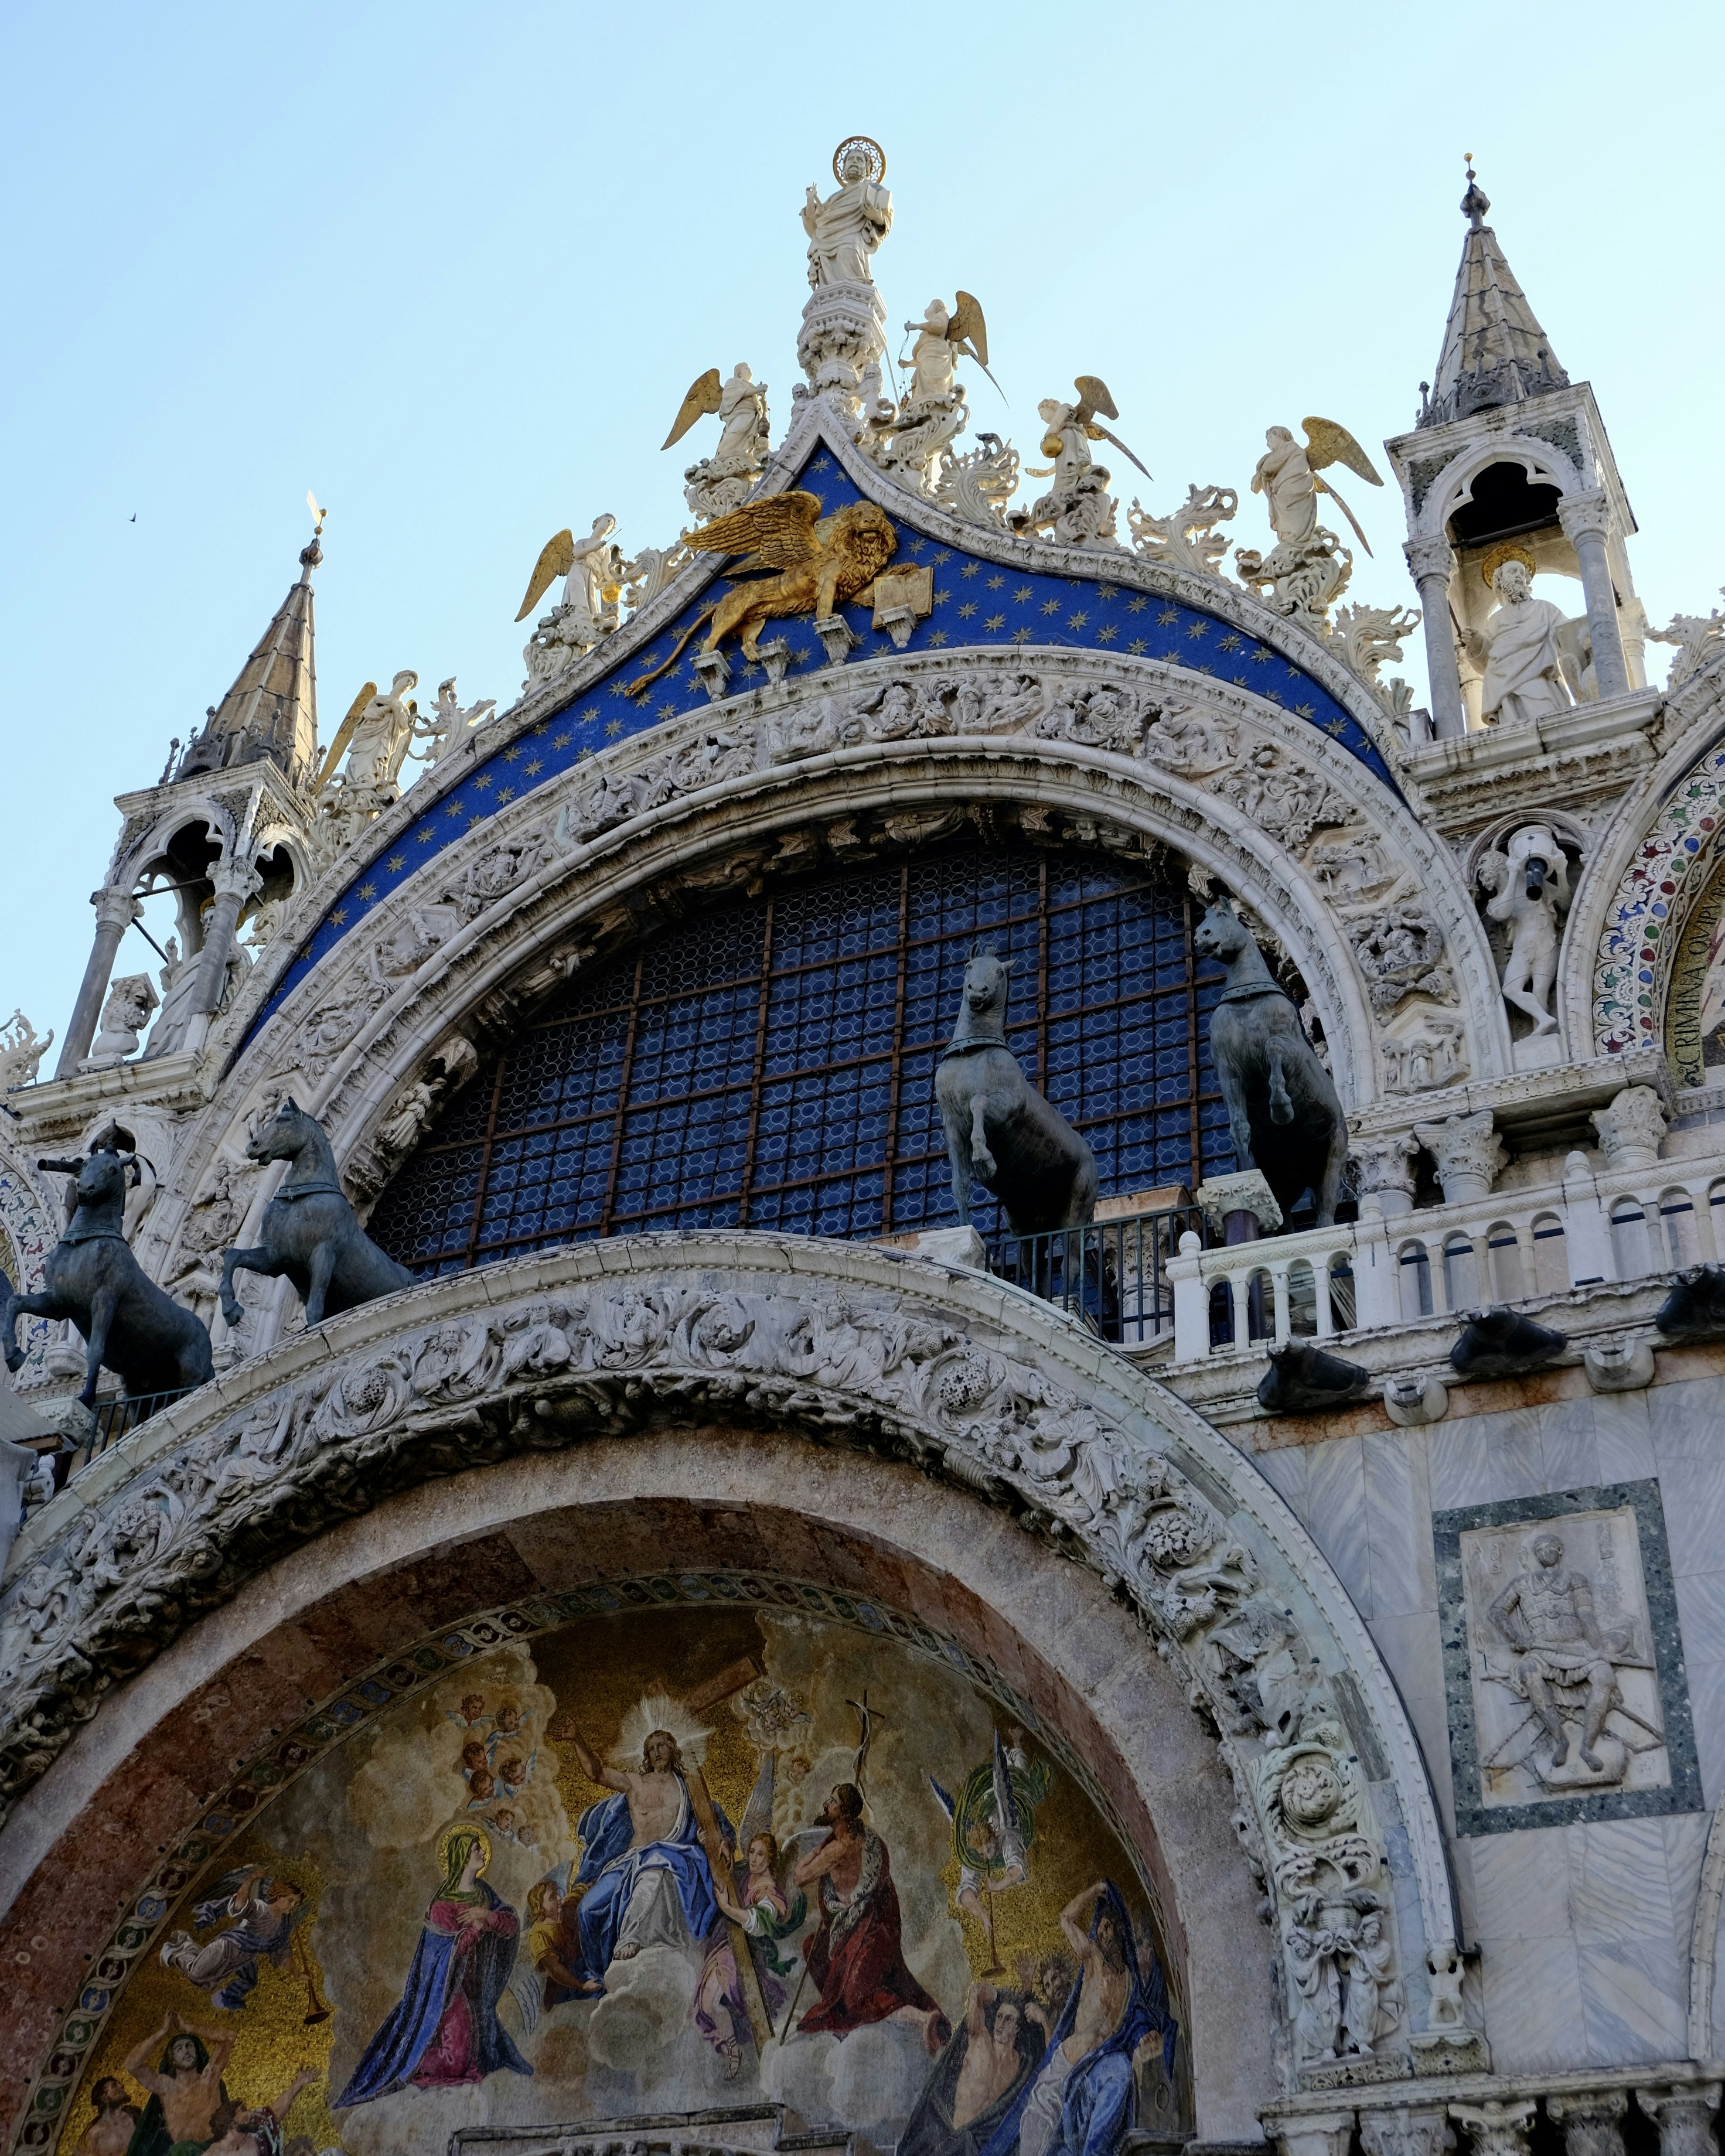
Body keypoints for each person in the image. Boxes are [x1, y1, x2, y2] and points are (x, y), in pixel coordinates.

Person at [333, 1824, 529, 2106]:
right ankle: (410, 2058)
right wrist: (476, 1928)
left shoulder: (484, 1896)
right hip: (447, 1992)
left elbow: (510, 1925)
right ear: (463, 1857)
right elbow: (448, 1954)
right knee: (456, 2061)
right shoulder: (442, 1907)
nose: (482, 1853)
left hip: (477, 1990)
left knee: (484, 2055)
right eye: (476, 1849)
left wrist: (487, 1916)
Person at [980, 1882, 1177, 2156]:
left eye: (1108, 1927)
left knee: (1121, 2070)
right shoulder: (1093, 1958)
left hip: (1098, 2065)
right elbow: (1065, 1919)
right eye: (1101, 1928)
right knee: (1036, 2132)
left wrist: (1144, 2032)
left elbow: (1138, 2018)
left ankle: (1094, 2153)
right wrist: (1094, 1891)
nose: (1102, 1932)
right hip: (1068, 2064)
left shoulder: (1131, 1983)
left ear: (1120, 1929)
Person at [549, 1717, 731, 1988]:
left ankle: (631, 1938)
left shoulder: (687, 1786)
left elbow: (711, 1819)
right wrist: (578, 1739)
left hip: (669, 1856)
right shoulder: (636, 1783)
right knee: (587, 1909)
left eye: (662, 1746)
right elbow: (596, 1774)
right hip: (631, 1860)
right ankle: (600, 1972)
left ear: (673, 1749)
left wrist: (724, 1840)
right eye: (651, 1748)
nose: (657, 1752)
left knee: (653, 1873)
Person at [793, 1783, 947, 2053]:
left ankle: (923, 2020)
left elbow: (799, 1877)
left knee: (856, 1999)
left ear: (844, 1813)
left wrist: (816, 1851)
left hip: (869, 1933)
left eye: (832, 1802)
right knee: (812, 1947)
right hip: (855, 1929)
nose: (826, 1805)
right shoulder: (863, 1838)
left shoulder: (838, 1849)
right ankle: (843, 2015)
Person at [1488, 1531, 1620, 1770]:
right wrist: (1516, 1638)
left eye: (1548, 1547)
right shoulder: (1522, 1583)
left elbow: (1587, 1616)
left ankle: (1587, 1747)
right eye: (1538, 1549)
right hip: (1540, 1651)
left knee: (1605, 1677)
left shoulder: (1576, 1579)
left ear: (1560, 1550)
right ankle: (1560, 1741)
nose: (1543, 1552)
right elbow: (1496, 1611)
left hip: (1577, 1648)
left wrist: (1598, 1650)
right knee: (1528, 1672)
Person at [696, 1831, 807, 2077]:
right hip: (723, 1944)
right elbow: (723, 1875)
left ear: (770, 1860)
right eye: (752, 1852)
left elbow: (757, 1923)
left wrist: (726, 1907)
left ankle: (735, 2051)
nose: (754, 1859)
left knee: (711, 2003)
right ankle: (732, 2048)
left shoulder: (770, 1892)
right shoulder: (746, 1872)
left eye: (761, 1855)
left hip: (745, 1953)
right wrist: (709, 1845)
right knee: (705, 2004)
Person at [901, 1983, 1044, 2156]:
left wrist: (1042, 2018)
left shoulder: (1021, 2067)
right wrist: (999, 1996)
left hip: (982, 2149)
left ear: (1017, 2028)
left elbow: (1051, 2061)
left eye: (1008, 2019)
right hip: (950, 2142)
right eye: (999, 2016)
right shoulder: (980, 2042)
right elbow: (975, 1992)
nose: (1000, 2023)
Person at [158, 1864, 304, 2011]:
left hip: (243, 1958)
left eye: (296, 1904)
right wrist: (252, 1878)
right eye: (290, 1900)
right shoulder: (262, 1909)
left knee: (214, 1983)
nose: (293, 1906)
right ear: (279, 1896)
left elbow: (283, 1956)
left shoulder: (283, 1927)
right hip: (227, 1948)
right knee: (196, 1973)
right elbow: (240, 1905)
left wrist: (298, 1974)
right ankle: (174, 1951)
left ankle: (228, 1997)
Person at [1466, 558, 1573, 728]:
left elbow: (1568, 633)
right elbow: (1484, 661)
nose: (1518, 576)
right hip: (1503, 683)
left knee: (1550, 719)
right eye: (1513, 572)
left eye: (1522, 573)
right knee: (1514, 726)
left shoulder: (1544, 608)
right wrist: (1476, 642)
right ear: (1501, 581)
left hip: (1538, 673)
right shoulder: (1495, 620)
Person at [120, 2011, 232, 2156]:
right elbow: (131, 2064)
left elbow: (229, 2037)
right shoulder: (166, 2086)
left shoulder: (209, 2078)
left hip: (214, 2150)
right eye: (179, 2049)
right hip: (182, 2153)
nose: (186, 2051)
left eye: (190, 2046)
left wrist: (187, 2028)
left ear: (197, 2052)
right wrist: (162, 2032)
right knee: (181, 2149)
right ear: (172, 2059)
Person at [802, 143, 892, 288]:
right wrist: (810, 199)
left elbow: (886, 218)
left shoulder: (874, 189)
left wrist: (877, 217)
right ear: (844, 167)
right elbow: (816, 224)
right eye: (850, 159)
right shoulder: (835, 198)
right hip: (826, 238)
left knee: (848, 249)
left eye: (859, 160)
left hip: (854, 236)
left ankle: (855, 291)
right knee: (823, 255)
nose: (854, 162)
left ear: (867, 168)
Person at [73, 2076, 138, 2156]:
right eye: (114, 2086)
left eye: (119, 2083)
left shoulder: (133, 2113)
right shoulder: (95, 2134)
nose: (122, 2086)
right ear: (104, 2098)